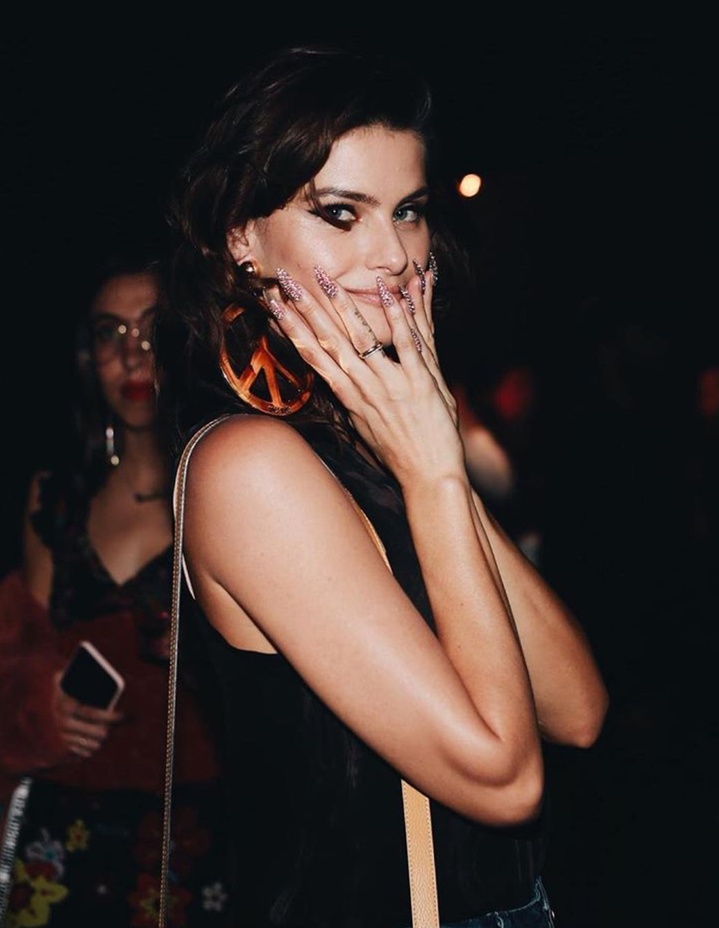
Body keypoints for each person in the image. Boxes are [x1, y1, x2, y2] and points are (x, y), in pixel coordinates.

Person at [154, 44, 609, 928]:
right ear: (240, 239)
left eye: (408, 211)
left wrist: (429, 461)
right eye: (340, 213)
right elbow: (507, 782)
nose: (394, 255)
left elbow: (578, 709)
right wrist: (434, 472)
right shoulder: (249, 466)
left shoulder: (367, 440)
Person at [0, 247, 233, 927]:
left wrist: (205, 649)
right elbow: (21, 648)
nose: (133, 355)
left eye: (154, 330)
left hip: (197, 826)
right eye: (111, 333)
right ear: (88, 357)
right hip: (64, 823)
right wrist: (38, 704)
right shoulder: (57, 494)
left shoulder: (233, 490)